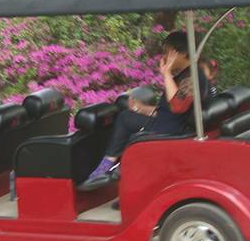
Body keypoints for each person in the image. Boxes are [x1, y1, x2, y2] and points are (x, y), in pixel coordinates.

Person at [81, 30, 213, 190]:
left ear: (182, 53)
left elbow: (177, 106)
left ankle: (109, 168)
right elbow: (167, 110)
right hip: (168, 123)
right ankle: (108, 165)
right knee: (125, 117)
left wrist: (166, 74)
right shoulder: (186, 74)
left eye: (167, 53)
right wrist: (141, 108)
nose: (163, 57)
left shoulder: (193, 77)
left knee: (128, 127)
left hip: (171, 130)